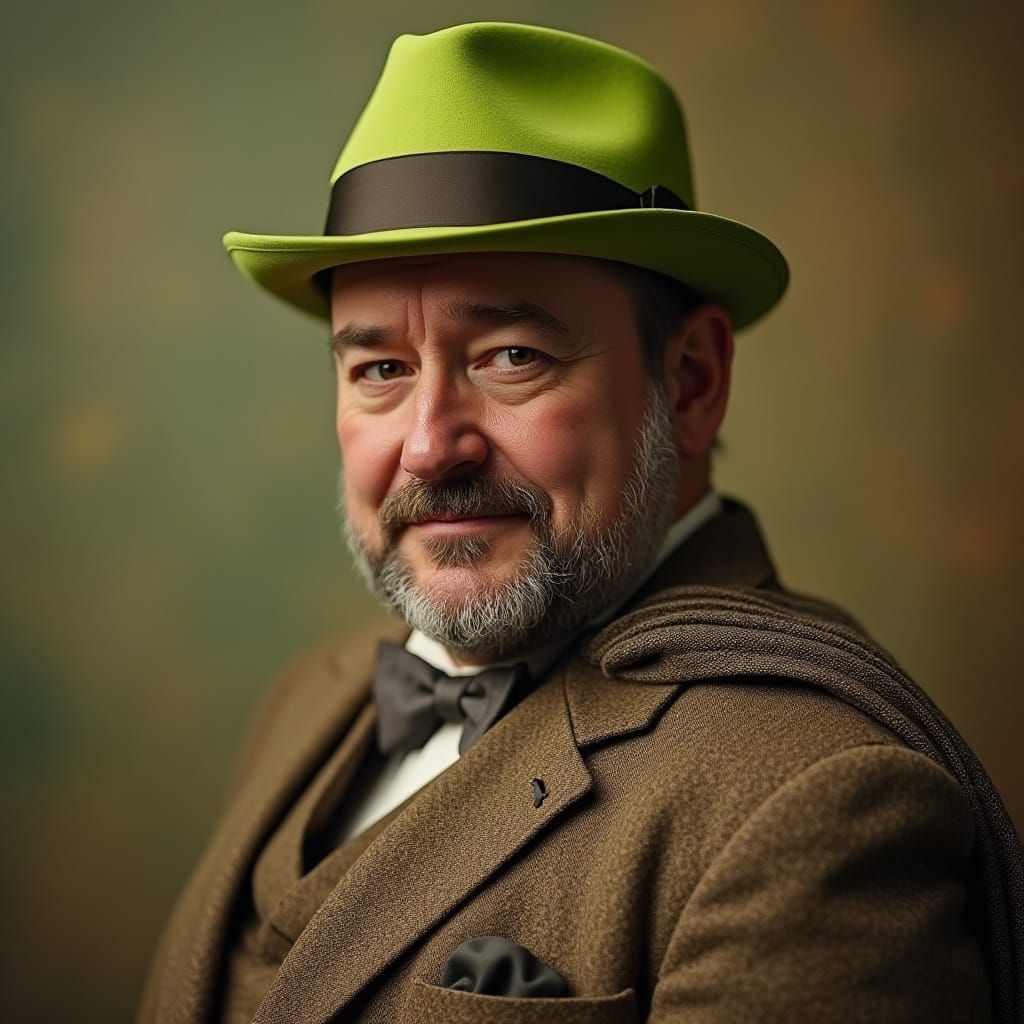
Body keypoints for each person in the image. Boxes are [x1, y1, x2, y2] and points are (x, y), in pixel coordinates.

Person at [137, 20, 1023, 1024]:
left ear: (688, 382)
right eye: (379, 369)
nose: (430, 446)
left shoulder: (817, 799)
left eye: (511, 355)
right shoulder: (308, 700)